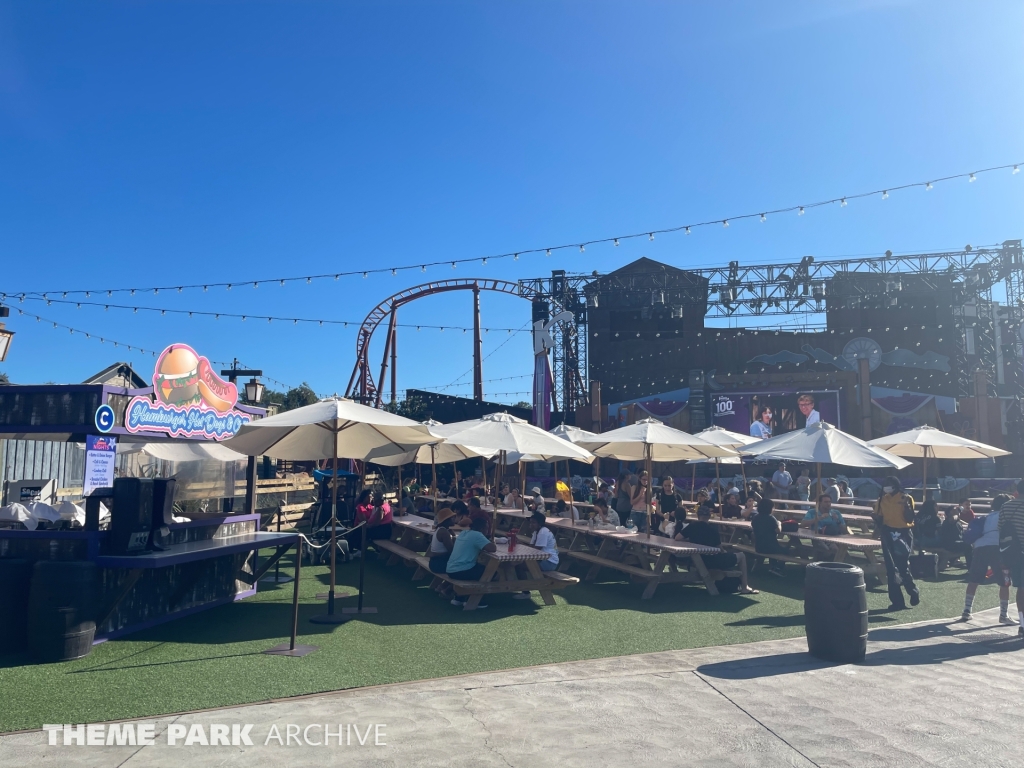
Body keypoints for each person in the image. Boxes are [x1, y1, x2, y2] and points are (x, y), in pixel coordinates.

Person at [676, 505, 758, 594]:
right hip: (712, 561)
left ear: (698, 515)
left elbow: (677, 538)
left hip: (696, 559)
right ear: (708, 516)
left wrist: (690, 539)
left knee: (731, 554)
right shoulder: (712, 530)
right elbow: (720, 549)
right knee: (741, 555)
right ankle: (744, 586)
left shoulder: (691, 526)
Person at [961, 494, 1016, 624]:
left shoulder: (986, 517)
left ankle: (966, 611)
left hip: (980, 547)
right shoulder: (1005, 516)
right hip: (998, 548)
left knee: (974, 580)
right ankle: (1003, 615)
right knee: (1004, 582)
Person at [873, 475, 920, 611]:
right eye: (885, 483)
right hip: (887, 533)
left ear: (895, 485)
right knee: (891, 568)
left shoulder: (905, 497)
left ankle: (912, 591)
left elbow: (910, 518)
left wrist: (906, 507)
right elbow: (879, 516)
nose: (886, 486)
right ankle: (897, 602)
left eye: (889, 484)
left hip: (903, 533)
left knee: (902, 565)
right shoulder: (882, 499)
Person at [445, 517, 497, 606]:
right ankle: (474, 599)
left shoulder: (463, 533)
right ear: (482, 528)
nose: (487, 530)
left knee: (479, 568)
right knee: (492, 573)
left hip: (450, 569)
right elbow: (492, 548)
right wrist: (492, 541)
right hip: (462, 570)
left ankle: (459, 598)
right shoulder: (477, 535)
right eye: (486, 528)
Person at [997, 479, 1024, 639]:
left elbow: (1000, 528)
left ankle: (1022, 623)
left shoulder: (1006, 506)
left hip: (1012, 552)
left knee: (1021, 588)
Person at [514, 512, 560, 599]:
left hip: (549, 562)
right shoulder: (537, 532)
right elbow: (531, 547)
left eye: (533, 522)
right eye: (530, 522)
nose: (531, 524)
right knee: (518, 563)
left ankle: (526, 592)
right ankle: (523, 589)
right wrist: (521, 544)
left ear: (540, 523)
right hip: (543, 559)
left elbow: (534, 550)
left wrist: (521, 545)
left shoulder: (543, 532)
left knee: (519, 565)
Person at [801, 494, 848, 560]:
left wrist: (837, 520)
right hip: (819, 537)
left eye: (829, 502)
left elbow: (844, 530)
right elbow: (803, 524)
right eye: (825, 502)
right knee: (832, 549)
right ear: (820, 503)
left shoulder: (836, 513)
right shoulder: (813, 512)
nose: (828, 504)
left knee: (842, 549)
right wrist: (819, 518)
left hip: (835, 537)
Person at [751, 497, 789, 576]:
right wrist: (779, 523)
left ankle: (773, 566)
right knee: (787, 551)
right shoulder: (771, 518)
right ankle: (778, 568)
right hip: (770, 547)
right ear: (770, 508)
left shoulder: (755, 517)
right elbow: (778, 530)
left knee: (776, 547)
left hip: (758, 547)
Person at [427, 507, 459, 597]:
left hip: (435, 562)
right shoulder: (444, 532)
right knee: (461, 569)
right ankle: (447, 590)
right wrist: (455, 538)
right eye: (452, 518)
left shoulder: (440, 529)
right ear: (447, 520)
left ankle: (442, 586)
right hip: (439, 563)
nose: (454, 519)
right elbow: (451, 551)